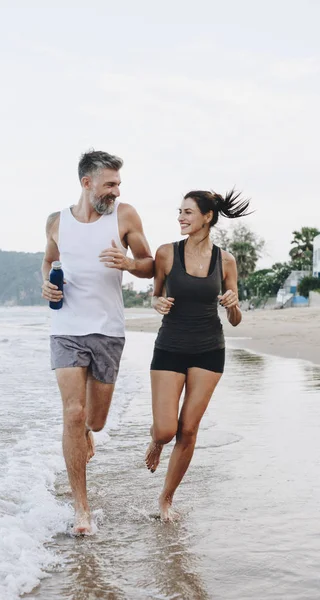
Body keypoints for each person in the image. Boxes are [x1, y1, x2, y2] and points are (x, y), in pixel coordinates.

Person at [41, 150, 153, 534]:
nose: (116, 190)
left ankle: (89, 431)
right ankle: (81, 510)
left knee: (95, 420)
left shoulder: (125, 215)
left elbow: (150, 263)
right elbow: (49, 262)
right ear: (86, 183)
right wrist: (46, 285)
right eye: (110, 184)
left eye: (118, 184)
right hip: (66, 327)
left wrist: (129, 263)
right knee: (72, 413)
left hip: (108, 330)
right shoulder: (56, 222)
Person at [145, 189, 251, 521]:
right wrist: (156, 303)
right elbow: (156, 295)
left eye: (188, 212)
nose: (181, 217)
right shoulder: (165, 254)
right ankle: (157, 443)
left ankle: (166, 498)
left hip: (209, 349)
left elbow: (235, 319)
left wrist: (233, 306)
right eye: (180, 211)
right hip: (170, 346)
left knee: (188, 429)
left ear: (207, 217)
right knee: (165, 430)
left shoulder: (226, 260)